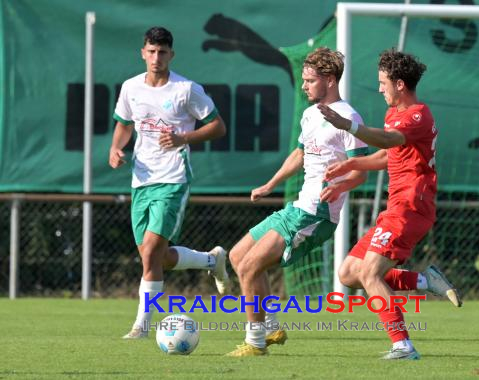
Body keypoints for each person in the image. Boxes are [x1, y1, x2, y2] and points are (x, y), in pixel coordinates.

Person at [318, 48, 462, 360]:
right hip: (395, 207)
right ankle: (425, 281)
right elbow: (387, 155)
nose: (380, 87)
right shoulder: (393, 115)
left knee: (370, 273)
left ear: (399, 84)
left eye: (383, 82)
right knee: (349, 273)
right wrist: (351, 166)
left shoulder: (417, 114)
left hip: (412, 206)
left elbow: (388, 141)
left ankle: (403, 345)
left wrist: (349, 126)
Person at [226, 47, 369, 357]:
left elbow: (361, 174)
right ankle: (272, 327)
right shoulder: (310, 113)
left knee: (251, 266)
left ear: (329, 80)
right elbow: (300, 154)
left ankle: (255, 343)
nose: (303, 86)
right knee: (239, 257)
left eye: (309, 80)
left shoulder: (348, 118)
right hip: (297, 208)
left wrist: (339, 186)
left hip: (316, 214)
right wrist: (271, 183)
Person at [109, 26, 230, 339]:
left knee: (151, 252)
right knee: (156, 257)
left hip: (173, 179)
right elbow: (123, 125)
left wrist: (183, 137)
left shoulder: (186, 89)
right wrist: (116, 148)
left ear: (171, 55)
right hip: (141, 180)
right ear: (143, 53)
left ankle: (142, 325)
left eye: (162, 52)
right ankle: (211, 260)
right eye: (151, 51)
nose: (156, 57)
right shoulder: (131, 88)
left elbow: (218, 127)